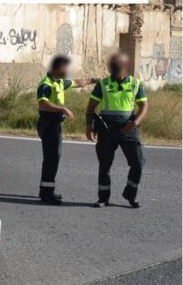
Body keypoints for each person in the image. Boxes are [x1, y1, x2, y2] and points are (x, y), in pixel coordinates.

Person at [85, 53, 148, 208]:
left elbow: (144, 106)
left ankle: (130, 194)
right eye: (112, 69)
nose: (113, 71)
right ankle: (103, 198)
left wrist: (135, 123)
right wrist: (89, 126)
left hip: (129, 129)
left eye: (117, 69)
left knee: (138, 162)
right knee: (104, 165)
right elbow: (91, 107)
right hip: (107, 130)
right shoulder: (102, 84)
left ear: (125, 68)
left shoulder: (135, 84)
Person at [35, 55, 96, 205]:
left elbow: (76, 83)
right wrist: (62, 108)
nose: (67, 71)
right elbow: (43, 104)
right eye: (64, 68)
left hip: (55, 124)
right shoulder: (46, 84)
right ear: (56, 69)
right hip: (48, 124)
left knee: (53, 159)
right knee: (51, 158)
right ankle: (46, 195)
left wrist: (92, 80)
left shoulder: (59, 82)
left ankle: (47, 190)